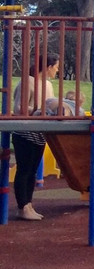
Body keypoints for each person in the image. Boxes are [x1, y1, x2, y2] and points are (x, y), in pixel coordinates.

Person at [11, 52, 59, 220]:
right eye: (56, 67)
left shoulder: (48, 85)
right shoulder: (28, 82)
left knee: (31, 171)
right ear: (48, 67)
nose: (57, 71)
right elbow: (18, 108)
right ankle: (22, 206)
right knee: (24, 170)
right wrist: (36, 111)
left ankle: (28, 205)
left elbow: (51, 105)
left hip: (39, 133)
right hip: (24, 132)